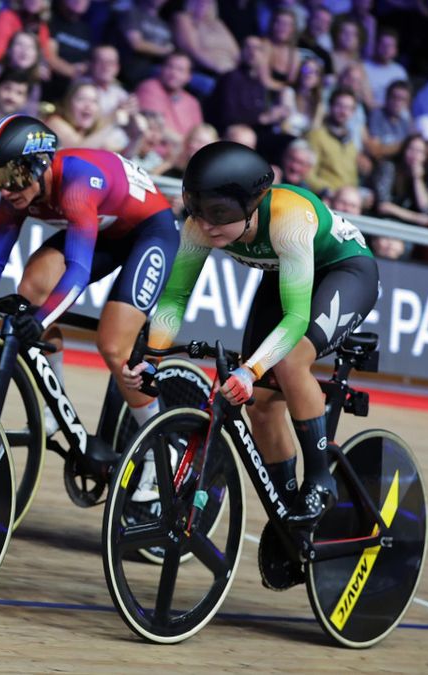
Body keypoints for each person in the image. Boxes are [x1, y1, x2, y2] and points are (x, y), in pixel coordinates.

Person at [125, 141, 379, 527]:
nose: (207, 224)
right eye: (197, 209)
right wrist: (152, 356)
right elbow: (175, 298)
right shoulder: (200, 227)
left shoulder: (289, 217)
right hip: (285, 274)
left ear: (254, 202)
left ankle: (319, 480)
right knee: (259, 403)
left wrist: (250, 370)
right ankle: (287, 509)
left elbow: (295, 318)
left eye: (220, 213)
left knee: (291, 361)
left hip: (346, 272)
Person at [0, 114, 180, 472]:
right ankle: (54, 409)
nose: (5, 189)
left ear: (40, 163)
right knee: (32, 287)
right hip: (103, 230)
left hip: (150, 232)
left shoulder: (77, 182)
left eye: (12, 176)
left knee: (113, 345)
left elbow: (76, 271)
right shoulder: (16, 195)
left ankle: (160, 450)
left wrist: (41, 319)